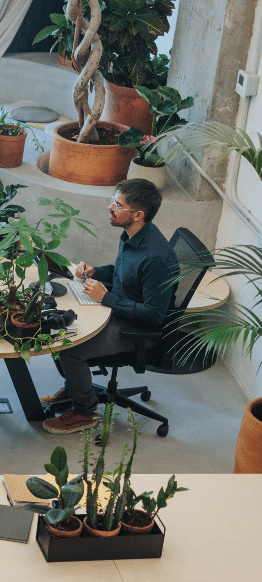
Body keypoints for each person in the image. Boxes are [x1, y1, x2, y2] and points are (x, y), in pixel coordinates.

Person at [40, 178, 179, 434]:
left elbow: (154, 315)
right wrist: (97, 272)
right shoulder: (132, 235)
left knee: (70, 348)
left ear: (138, 214)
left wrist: (106, 299)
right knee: (56, 324)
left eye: (117, 204)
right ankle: (76, 388)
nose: (110, 208)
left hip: (138, 329)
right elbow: (124, 273)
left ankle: (84, 412)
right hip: (119, 310)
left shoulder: (156, 258)